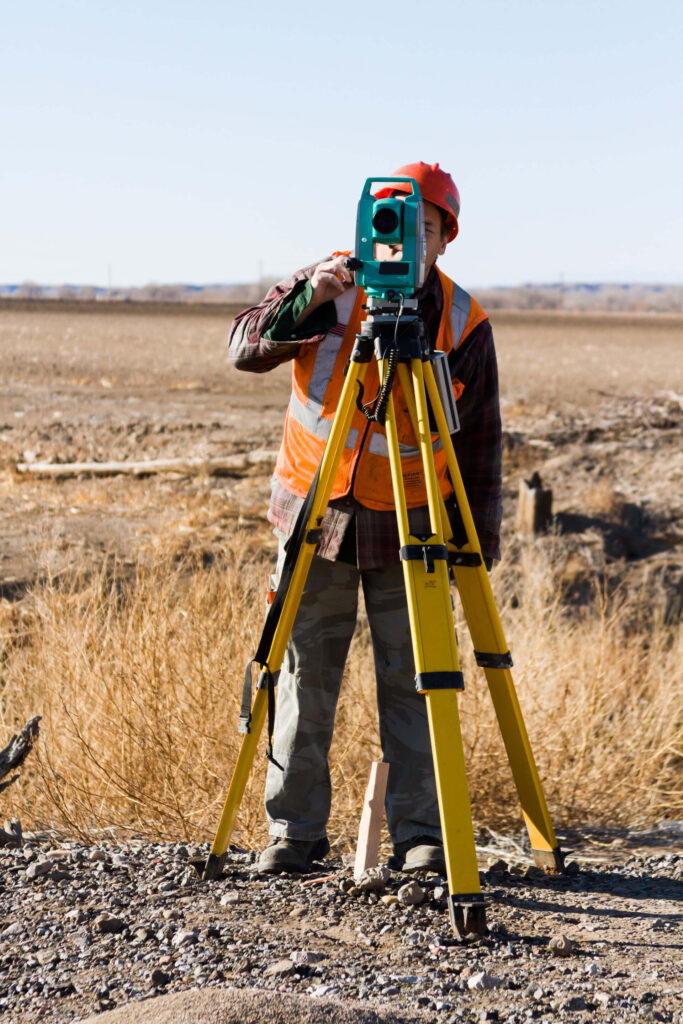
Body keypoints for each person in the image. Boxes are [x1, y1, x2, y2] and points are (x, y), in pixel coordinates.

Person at [227, 161, 502, 875]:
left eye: (428, 226)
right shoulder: (327, 285)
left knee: (418, 685)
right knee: (301, 681)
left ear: (445, 239)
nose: (408, 238)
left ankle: (420, 838)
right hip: (315, 519)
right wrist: (308, 300)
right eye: (395, 222)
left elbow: (478, 443)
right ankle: (294, 833)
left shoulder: (462, 321)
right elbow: (244, 348)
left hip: (410, 527)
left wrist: (478, 549)